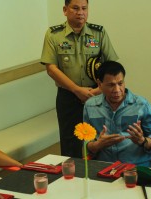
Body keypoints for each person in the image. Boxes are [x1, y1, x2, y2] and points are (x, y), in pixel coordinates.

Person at [41, 0, 118, 158]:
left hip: (96, 95)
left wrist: (98, 90)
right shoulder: (54, 34)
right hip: (68, 96)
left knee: (100, 138)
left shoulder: (99, 33)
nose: (80, 12)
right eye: (75, 8)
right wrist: (76, 90)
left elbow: (112, 65)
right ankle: (71, 178)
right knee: (70, 141)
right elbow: (51, 68)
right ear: (65, 10)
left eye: (84, 8)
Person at [84, 61, 151, 167]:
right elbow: (86, 142)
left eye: (120, 83)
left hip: (137, 167)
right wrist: (96, 145)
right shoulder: (90, 106)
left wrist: (143, 141)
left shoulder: (141, 105)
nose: (117, 90)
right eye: (111, 85)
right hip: (104, 167)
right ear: (99, 84)